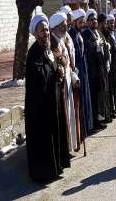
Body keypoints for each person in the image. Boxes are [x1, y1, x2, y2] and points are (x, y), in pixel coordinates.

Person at [25, 13, 70, 183]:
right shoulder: (34, 53)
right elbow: (39, 76)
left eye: (46, 30)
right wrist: (54, 72)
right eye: (42, 30)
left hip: (53, 99)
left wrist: (59, 68)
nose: (46, 33)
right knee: (44, 137)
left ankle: (57, 166)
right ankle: (44, 172)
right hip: (40, 105)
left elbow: (53, 65)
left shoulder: (48, 49)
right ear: (35, 33)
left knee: (56, 132)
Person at [49, 12, 79, 152]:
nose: (66, 28)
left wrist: (73, 76)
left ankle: (70, 145)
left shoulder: (61, 40)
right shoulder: (52, 44)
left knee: (70, 114)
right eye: (63, 26)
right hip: (60, 86)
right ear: (55, 27)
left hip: (68, 83)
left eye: (66, 25)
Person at [82, 9, 112, 129]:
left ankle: (101, 118)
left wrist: (104, 46)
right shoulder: (86, 34)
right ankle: (94, 122)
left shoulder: (97, 32)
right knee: (94, 98)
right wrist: (97, 46)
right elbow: (88, 50)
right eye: (91, 19)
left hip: (100, 69)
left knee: (101, 96)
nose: (94, 21)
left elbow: (102, 44)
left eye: (95, 19)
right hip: (92, 72)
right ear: (87, 22)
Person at [70, 9, 94, 137]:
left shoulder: (79, 34)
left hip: (84, 70)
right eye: (80, 22)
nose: (82, 24)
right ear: (74, 22)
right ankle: (81, 130)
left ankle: (86, 127)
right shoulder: (72, 36)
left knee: (86, 100)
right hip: (78, 71)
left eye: (82, 22)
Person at [104, 14, 116, 112]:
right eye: (110, 22)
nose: (112, 24)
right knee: (111, 87)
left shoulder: (112, 33)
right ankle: (112, 109)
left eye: (113, 22)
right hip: (110, 65)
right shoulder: (106, 35)